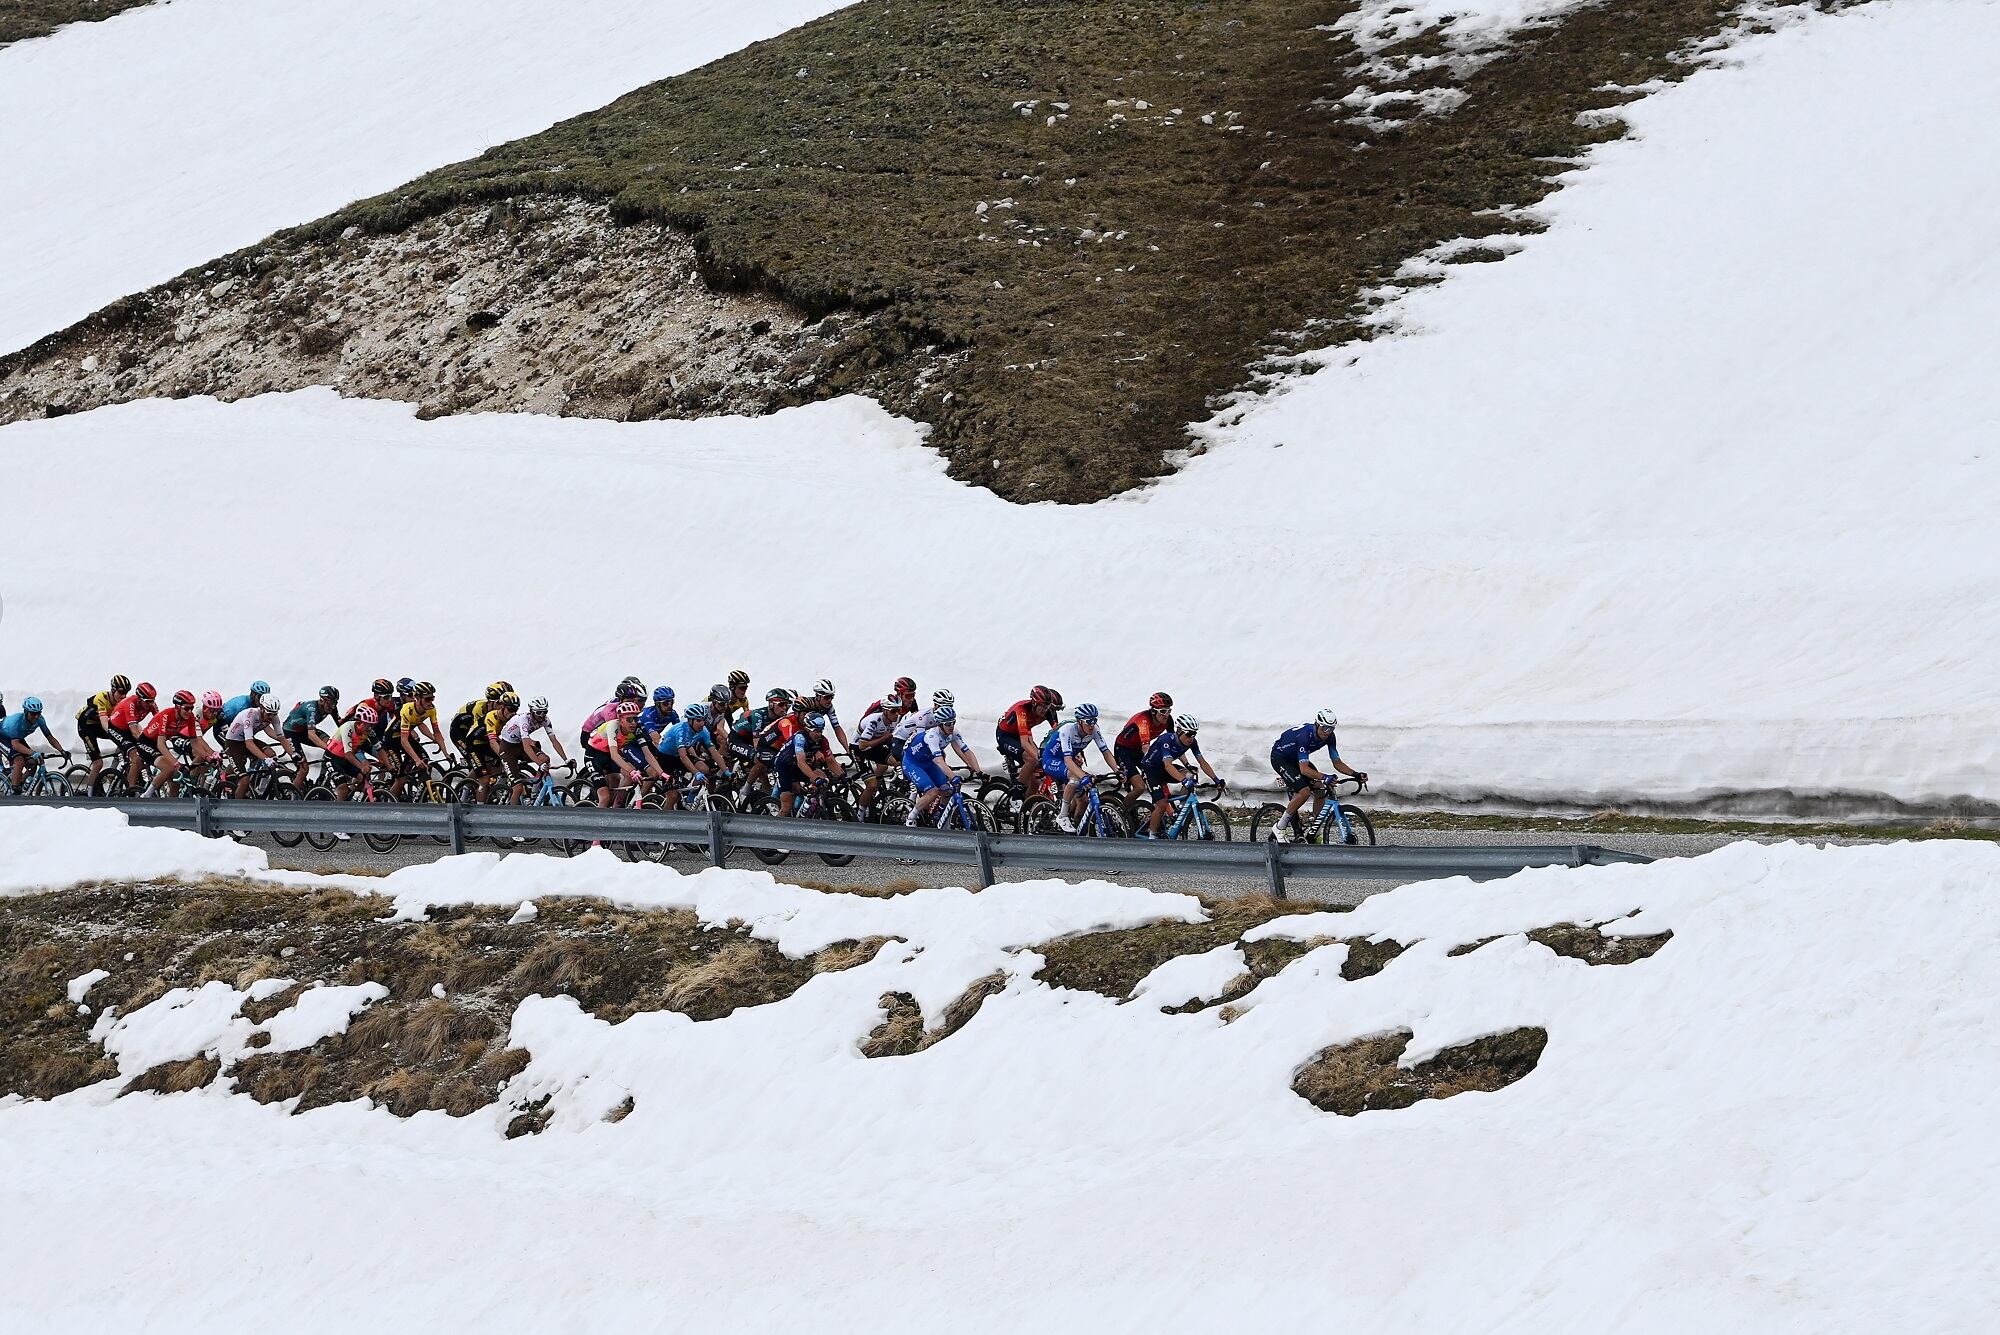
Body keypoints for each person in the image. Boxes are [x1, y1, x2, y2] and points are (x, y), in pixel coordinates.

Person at [1268, 709, 1368, 841]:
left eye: (1331, 728)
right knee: (1304, 792)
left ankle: (1315, 832)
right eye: (1325, 728)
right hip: (1280, 758)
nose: (1327, 732)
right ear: (1317, 724)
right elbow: (1304, 770)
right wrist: (1325, 776)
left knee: (1321, 789)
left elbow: (1337, 762)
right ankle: (1280, 827)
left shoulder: (1330, 736)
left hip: (1296, 758)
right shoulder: (1304, 736)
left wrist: (1355, 774)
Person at [1140, 714, 1224, 837]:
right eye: (1189, 734)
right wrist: (1183, 781)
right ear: (1179, 731)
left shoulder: (1192, 742)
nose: (1191, 738)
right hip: (1150, 770)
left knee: (1190, 774)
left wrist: (1216, 780)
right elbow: (1168, 765)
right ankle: (1152, 836)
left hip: (1163, 768)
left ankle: (1180, 808)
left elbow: (1202, 762)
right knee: (1162, 804)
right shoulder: (1166, 740)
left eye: (1194, 734)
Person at [1039, 703, 1118, 832]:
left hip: (1068, 762)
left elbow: (1106, 752)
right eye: (1089, 721)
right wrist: (1083, 776)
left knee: (1083, 801)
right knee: (1076, 777)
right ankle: (1062, 816)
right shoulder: (1067, 730)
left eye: (1095, 720)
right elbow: (1068, 761)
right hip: (1051, 760)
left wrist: (1117, 770)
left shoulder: (1094, 730)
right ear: (1080, 721)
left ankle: (1076, 830)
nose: (1092, 724)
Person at [900, 704, 983, 826]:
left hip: (928, 761)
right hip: (912, 762)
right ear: (939, 724)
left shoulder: (954, 733)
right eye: (948, 724)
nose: (951, 726)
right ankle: (910, 819)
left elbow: (967, 752)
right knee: (933, 792)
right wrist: (953, 776)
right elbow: (939, 761)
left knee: (947, 790)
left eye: (953, 722)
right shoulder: (932, 736)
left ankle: (937, 816)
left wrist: (979, 772)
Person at [586, 699, 661, 808]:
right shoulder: (613, 726)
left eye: (636, 719)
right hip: (594, 757)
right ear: (621, 719)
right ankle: (596, 822)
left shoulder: (636, 729)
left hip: (609, 756)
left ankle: (617, 807)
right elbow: (614, 754)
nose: (633, 723)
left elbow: (647, 753)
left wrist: (661, 772)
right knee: (605, 797)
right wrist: (632, 772)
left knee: (629, 774)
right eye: (629, 719)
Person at [223, 693, 297, 797]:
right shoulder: (250, 715)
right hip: (233, 743)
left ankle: (261, 787)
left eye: (274, 714)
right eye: (269, 714)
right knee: (244, 781)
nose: (271, 717)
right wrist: (264, 759)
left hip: (246, 740)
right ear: (261, 708)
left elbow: (281, 738)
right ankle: (237, 808)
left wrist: (294, 755)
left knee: (271, 754)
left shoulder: (273, 716)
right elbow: (249, 743)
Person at [496, 697, 568, 802]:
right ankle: (512, 817)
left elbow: (554, 741)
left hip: (519, 745)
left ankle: (534, 792)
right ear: (531, 711)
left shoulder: (546, 720)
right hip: (507, 749)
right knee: (518, 788)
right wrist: (539, 764)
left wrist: (566, 760)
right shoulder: (524, 720)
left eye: (545, 712)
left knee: (545, 759)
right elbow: (526, 746)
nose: (542, 715)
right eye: (539, 712)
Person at [996, 685, 1063, 792]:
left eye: (1049, 708)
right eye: (1044, 707)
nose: (1046, 711)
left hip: (1023, 733)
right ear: (1035, 703)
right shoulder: (1022, 710)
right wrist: (1041, 758)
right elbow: (1025, 743)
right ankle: (1016, 794)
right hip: (1006, 735)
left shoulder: (1048, 711)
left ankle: (1027, 806)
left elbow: (1059, 734)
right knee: (1032, 759)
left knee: (1036, 779)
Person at [654, 703, 721, 809]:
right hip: (666, 758)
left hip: (678, 756)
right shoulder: (680, 730)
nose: (702, 723)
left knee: (704, 768)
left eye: (703, 720)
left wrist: (725, 770)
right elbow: (683, 756)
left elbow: (713, 751)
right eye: (698, 720)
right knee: (673, 796)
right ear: (690, 720)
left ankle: (690, 799)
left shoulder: (703, 730)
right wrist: (696, 773)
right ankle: (663, 822)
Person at [775, 712, 843, 816]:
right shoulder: (800, 738)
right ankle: (774, 829)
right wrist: (815, 778)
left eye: (820, 731)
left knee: (822, 776)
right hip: (784, 766)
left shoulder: (822, 740)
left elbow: (830, 761)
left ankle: (805, 809)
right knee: (786, 807)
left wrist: (843, 776)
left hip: (797, 765)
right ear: (807, 729)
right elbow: (801, 763)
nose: (819, 734)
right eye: (816, 731)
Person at [138, 690, 204, 796]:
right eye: (186, 708)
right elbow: (161, 744)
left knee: (176, 781)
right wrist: (176, 763)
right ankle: (145, 796)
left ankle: (172, 809)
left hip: (159, 745)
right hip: (146, 743)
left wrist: (208, 757)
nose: (189, 711)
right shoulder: (166, 715)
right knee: (168, 768)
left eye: (191, 708)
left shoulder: (190, 717)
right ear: (177, 707)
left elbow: (195, 742)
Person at [851, 693, 907, 811]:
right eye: (893, 711)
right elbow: (862, 745)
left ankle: (879, 792)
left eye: (899, 710)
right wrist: (884, 738)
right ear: (885, 710)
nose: (897, 714)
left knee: (897, 762)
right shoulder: (874, 721)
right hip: (858, 748)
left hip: (874, 746)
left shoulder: (896, 720)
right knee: (871, 785)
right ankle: (861, 813)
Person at [324, 702, 391, 800]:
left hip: (345, 760)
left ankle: (351, 799)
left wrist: (389, 766)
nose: (370, 728)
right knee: (343, 789)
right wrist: (362, 766)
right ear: (360, 722)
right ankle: (337, 813)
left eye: (373, 725)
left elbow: (380, 749)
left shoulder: (369, 731)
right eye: (368, 725)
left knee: (362, 779)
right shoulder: (348, 728)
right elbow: (348, 754)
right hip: (333, 758)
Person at [74, 674, 132, 785]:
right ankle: (90, 793)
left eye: (126, 693)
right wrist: (115, 735)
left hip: (99, 725)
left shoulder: (122, 703)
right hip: (86, 726)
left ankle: (112, 773)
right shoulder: (101, 698)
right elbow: (105, 722)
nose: (123, 696)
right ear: (113, 690)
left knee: (126, 738)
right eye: (121, 692)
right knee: (98, 763)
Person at [728, 688, 792, 789]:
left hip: (751, 740)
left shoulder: (781, 719)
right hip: (737, 739)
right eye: (781, 704)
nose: (784, 708)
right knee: (761, 759)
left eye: (786, 705)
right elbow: (757, 745)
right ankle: (745, 791)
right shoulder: (758, 715)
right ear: (771, 704)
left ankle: (765, 794)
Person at [1115, 692, 1174, 797]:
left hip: (1137, 750)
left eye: (1169, 710)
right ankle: (1122, 811)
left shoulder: (1168, 720)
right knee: (1139, 787)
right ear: (1153, 711)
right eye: (1163, 711)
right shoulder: (1143, 720)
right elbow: (1145, 747)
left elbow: (1173, 741)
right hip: (1123, 750)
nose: (1166, 714)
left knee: (1156, 775)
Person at [282, 688, 340, 793]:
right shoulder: (312, 709)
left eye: (335, 703)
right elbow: (312, 735)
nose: (332, 706)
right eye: (330, 703)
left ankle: (321, 778)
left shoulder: (331, 708)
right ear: (322, 700)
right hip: (290, 732)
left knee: (332, 743)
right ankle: (290, 796)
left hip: (304, 730)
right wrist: (328, 749)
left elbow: (341, 726)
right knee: (304, 768)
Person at [105, 682, 159, 791]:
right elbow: (135, 732)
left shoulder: (151, 704)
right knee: (137, 757)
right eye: (148, 702)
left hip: (128, 728)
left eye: (152, 701)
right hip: (116, 729)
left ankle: (135, 775)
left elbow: (160, 721)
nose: (151, 704)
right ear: (139, 699)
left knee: (146, 755)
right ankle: (131, 791)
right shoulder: (130, 704)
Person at [2, 697, 66, 789]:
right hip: (3, 737)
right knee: (19, 761)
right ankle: (14, 790)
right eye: (33, 713)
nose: (36, 716)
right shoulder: (16, 722)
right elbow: (15, 745)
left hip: (17, 738)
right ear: (26, 712)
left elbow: (50, 737)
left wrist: (62, 750)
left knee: (33, 762)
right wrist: (33, 753)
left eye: (38, 713)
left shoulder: (40, 720)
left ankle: (20, 783)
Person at [397, 681, 451, 773]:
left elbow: (436, 731)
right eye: (427, 699)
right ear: (417, 698)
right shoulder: (407, 710)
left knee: (425, 761)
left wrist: (445, 753)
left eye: (432, 698)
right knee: (402, 777)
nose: (430, 702)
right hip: (393, 739)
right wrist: (416, 760)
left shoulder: (431, 709)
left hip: (405, 736)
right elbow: (404, 740)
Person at [797, 680, 851, 754]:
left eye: (832, 697)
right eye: (826, 697)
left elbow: (837, 727)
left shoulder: (829, 707)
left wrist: (847, 749)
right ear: (818, 697)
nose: (830, 700)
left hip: (810, 732)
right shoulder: (807, 705)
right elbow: (802, 728)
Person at [639, 687, 679, 751]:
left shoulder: (673, 714)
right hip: (637, 743)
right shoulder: (648, 715)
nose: (669, 705)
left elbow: (680, 732)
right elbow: (656, 740)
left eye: (671, 701)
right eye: (665, 703)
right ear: (658, 704)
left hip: (649, 743)